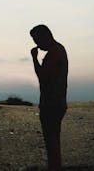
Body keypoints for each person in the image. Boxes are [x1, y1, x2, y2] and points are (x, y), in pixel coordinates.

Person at [30, 24, 68, 171]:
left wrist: (34, 59)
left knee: (51, 140)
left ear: (45, 36)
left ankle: (54, 167)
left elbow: (43, 77)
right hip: (57, 103)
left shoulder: (54, 53)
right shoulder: (59, 50)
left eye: (37, 40)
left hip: (52, 104)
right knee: (53, 140)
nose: (37, 45)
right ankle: (54, 166)